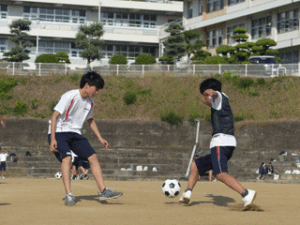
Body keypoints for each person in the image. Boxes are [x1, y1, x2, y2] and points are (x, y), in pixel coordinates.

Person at [48, 71, 123, 206]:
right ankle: (69, 194)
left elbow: (90, 120)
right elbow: (54, 117)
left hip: (75, 133)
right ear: (87, 85)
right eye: (96, 88)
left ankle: (103, 191)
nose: (97, 92)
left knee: (93, 157)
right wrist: (53, 139)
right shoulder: (69, 96)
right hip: (60, 131)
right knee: (67, 158)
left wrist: (100, 138)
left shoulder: (90, 103)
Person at [179, 78, 256, 207]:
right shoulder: (218, 103)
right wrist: (208, 99)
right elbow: (213, 101)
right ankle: (187, 193)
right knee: (195, 166)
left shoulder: (219, 97)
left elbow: (215, 95)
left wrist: (210, 93)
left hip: (222, 142)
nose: (203, 98)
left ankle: (246, 193)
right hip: (224, 143)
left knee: (219, 174)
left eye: (203, 94)